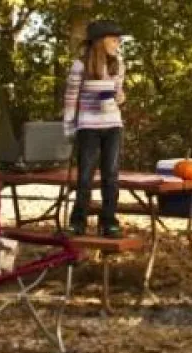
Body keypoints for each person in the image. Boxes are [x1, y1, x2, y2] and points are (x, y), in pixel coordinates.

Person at [63, 20, 127, 238]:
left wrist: (119, 97)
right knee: (85, 176)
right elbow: (71, 97)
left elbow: (119, 94)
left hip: (112, 124)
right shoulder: (80, 65)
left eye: (118, 40)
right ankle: (78, 221)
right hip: (88, 125)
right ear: (101, 41)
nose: (117, 43)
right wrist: (69, 127)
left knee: (111, 174)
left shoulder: (117, 63)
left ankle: (109, 221)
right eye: (114, 39)